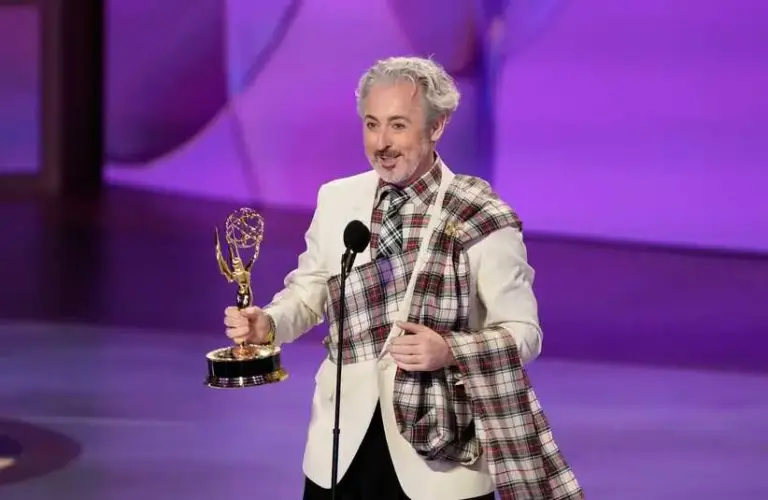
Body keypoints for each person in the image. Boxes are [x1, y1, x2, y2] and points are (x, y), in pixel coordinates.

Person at [224, 56, 583, 500]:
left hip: (440, 462)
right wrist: (269, 324)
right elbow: (310, 289)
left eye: (398, 125)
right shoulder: (338, 199)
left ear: (436, 127)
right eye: (372, 125)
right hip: (340, 450)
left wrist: (450, 349)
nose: (381, 143)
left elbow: (525, 333)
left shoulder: (480, 215)